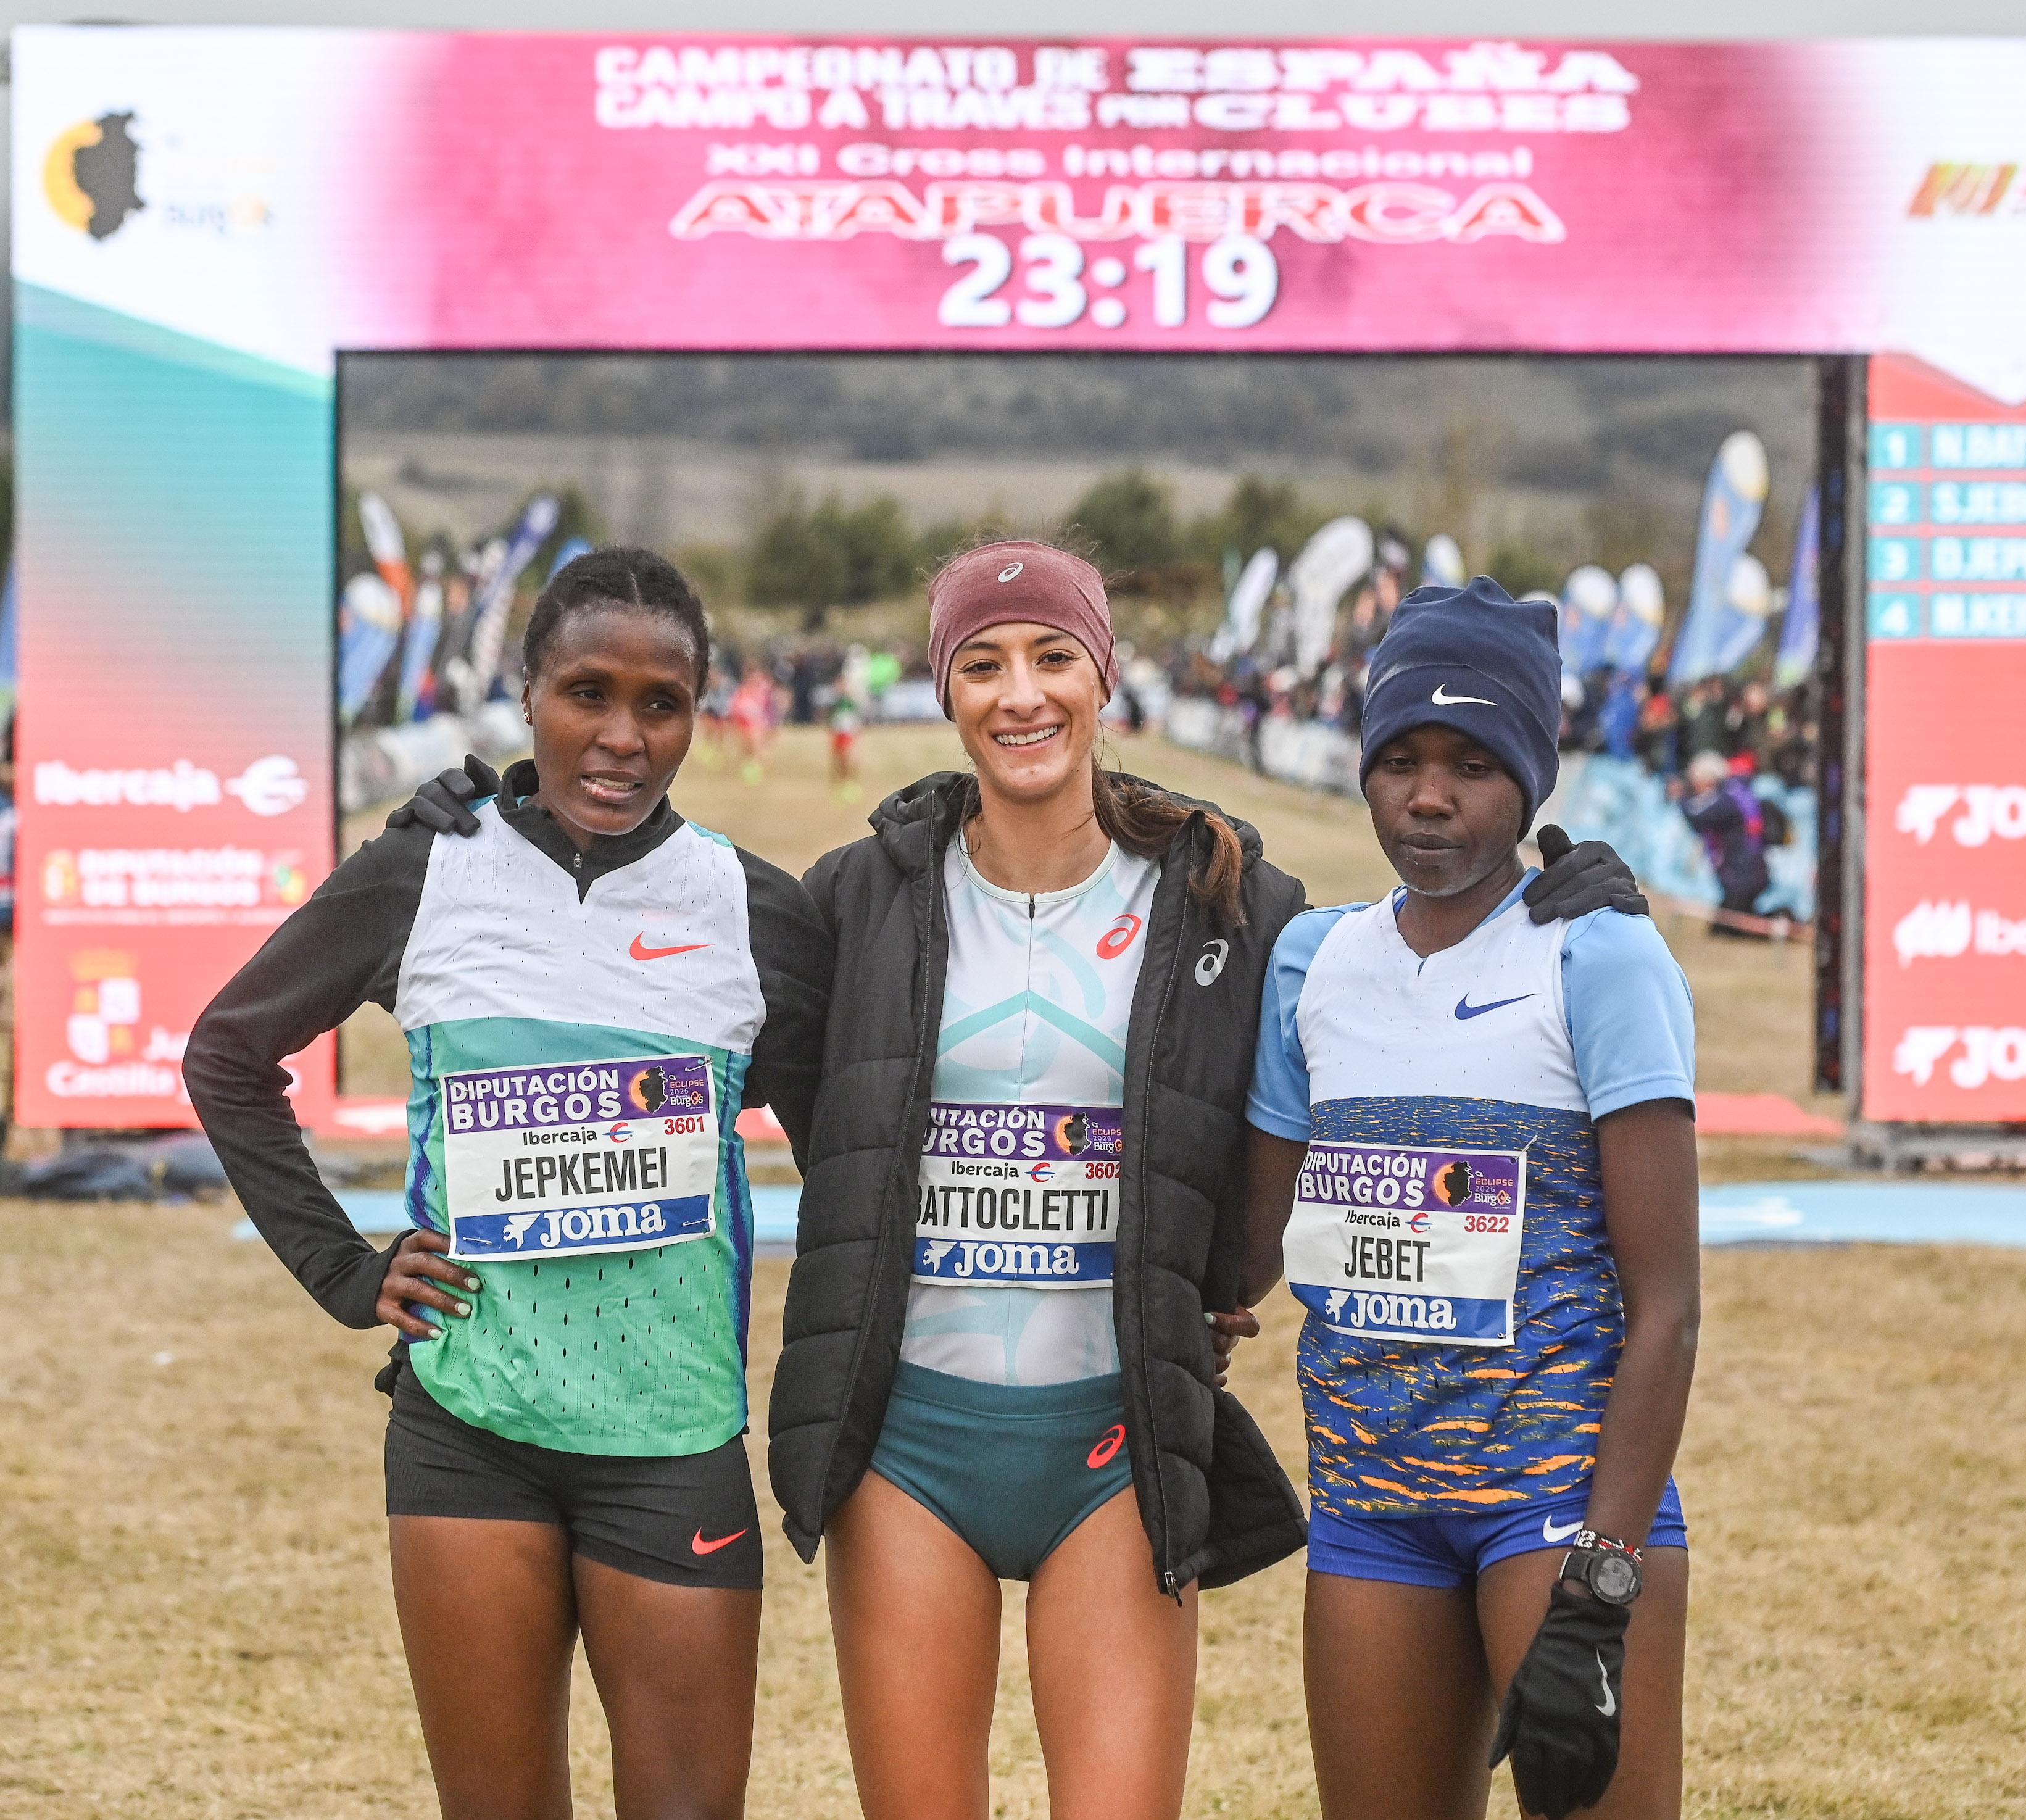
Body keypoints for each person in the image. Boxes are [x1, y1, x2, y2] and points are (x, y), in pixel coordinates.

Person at [389, 542, 1651, 1820]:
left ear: (1103, 674)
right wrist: (485, 833)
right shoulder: (848, 899)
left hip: (1115, 1450)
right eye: (981, 663)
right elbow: (632, 961)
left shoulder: (1233, 904)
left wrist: (1557, 892)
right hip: (908, 1447)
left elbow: (1391, 973)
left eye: (1053, 655)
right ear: (945, 691)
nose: (1020, 692)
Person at [185, 549, 831, 1820]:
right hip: (467, 1438)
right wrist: (345, 1270)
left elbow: (847, 1150)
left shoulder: (755, 909)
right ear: (524, 689)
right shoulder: (428, 868)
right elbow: (228, 1051)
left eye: (662, 703)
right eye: (586, 691)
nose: (622, 736)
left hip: (672, 1441)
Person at [1235, 578, 1699, 1820]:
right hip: (1371, 1505)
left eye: (1474, 762)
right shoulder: (1312, 959)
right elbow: (1246, 1257)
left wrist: (1602, 1579)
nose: (1429, 795)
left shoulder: (1597, 952)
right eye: (1399, 758)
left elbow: (1667, 1308)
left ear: (1533, 779)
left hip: (1555, 1505)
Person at [1673, 749, 1771, 933]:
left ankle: (1780, 925)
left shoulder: (1725, 799)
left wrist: (1681, 797)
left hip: (1743, 876)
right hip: (1749, 872)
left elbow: (1697, 817)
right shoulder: (1735, 793)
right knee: (1732, 923)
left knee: (1725, 929)